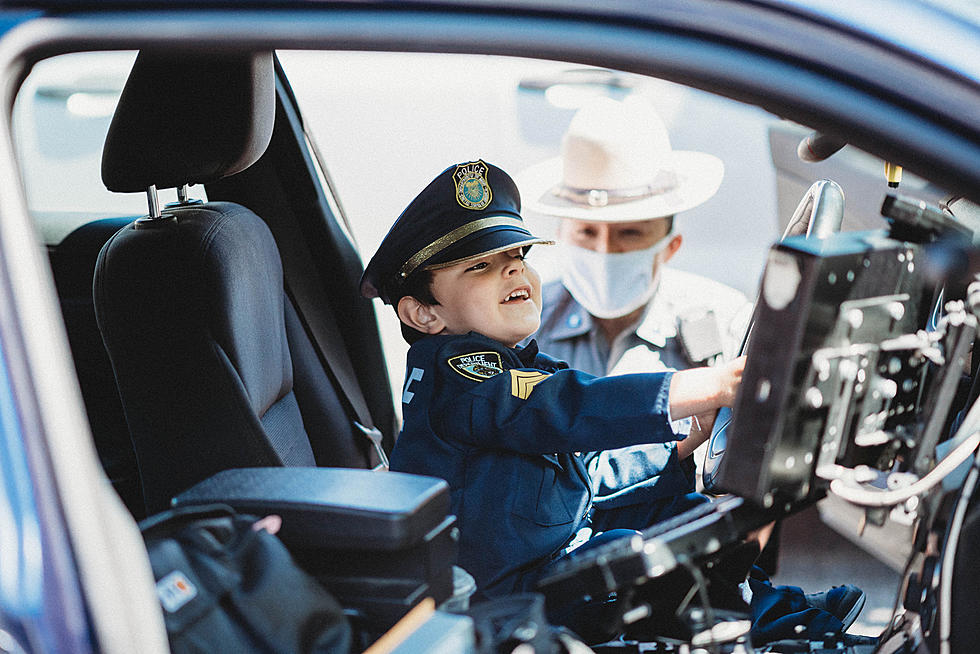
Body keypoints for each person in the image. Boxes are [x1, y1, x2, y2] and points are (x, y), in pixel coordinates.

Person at [360, 159, 864, 645]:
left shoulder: (511, 367)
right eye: (481, 266)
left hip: (543, 560)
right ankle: (762, 623)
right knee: (630, 557)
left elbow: (584, 474)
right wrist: (713, 384)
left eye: (518, 258)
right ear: (424, 314)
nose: (514, 274)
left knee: (679, 511)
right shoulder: (461, 376)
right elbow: (568, 407)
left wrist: (685, 439)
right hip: (502, 595)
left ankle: (768, 607)